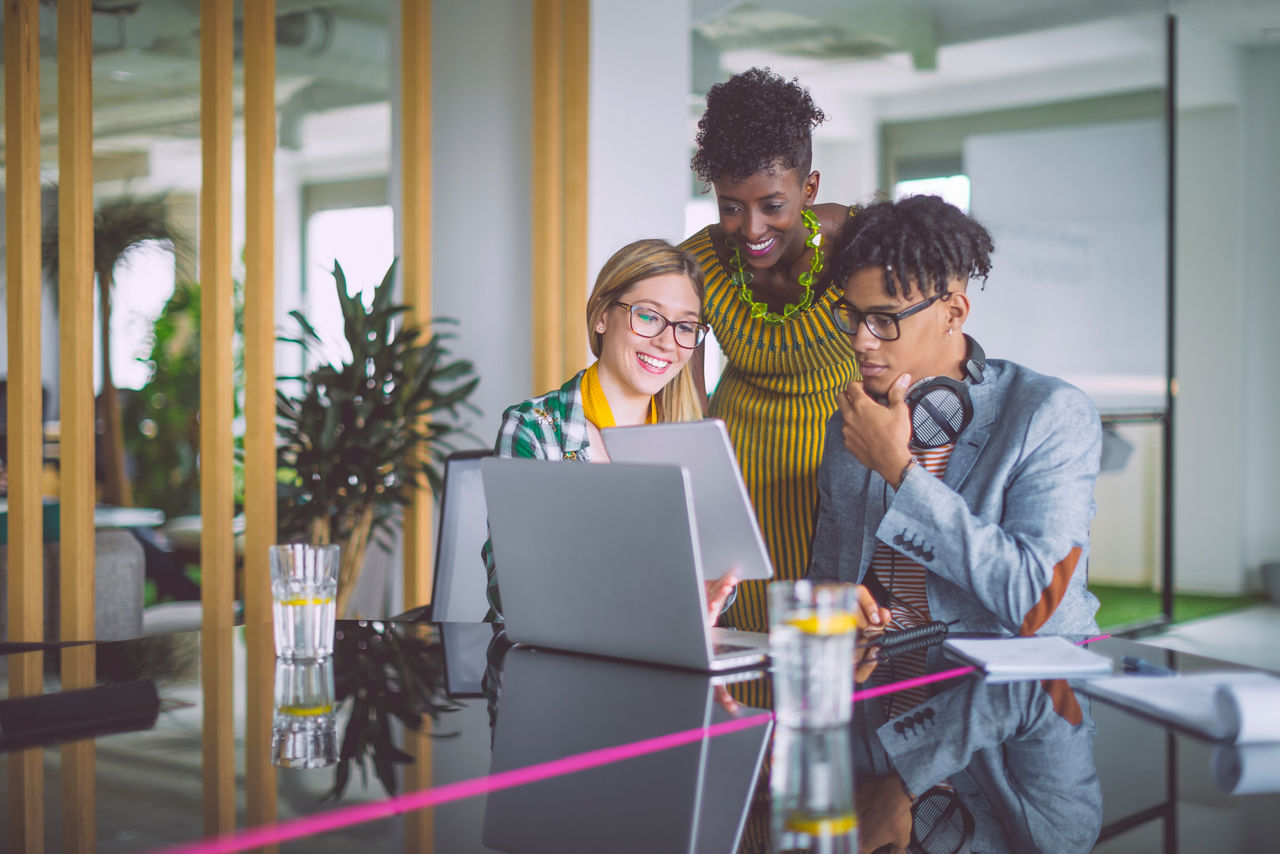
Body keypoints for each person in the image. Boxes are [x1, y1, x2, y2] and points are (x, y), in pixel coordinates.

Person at [808, 195, 1103, 649]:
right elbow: (825, 580)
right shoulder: (851, 423)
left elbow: (1043, 605)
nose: (862, 341)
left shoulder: (1048, 414)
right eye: (852, 316)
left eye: (884, 319)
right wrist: (831, 601)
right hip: (881, 693)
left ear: (954, 313)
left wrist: (900, 473)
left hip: (1020, 701)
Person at [681, 67, 860, 633]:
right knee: (743, 660)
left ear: (809, 190)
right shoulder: (701, 263)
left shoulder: (862, 248)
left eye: (772, 205)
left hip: (836, 486)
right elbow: (688, 404)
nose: (750, 227)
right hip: (738, 489)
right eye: (731, 205)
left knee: (825, 664)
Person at [482, 238, 736, 623]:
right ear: (602, 315)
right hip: (547, 666)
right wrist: (654, 590)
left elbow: (714, 573)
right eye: (648, 316)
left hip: (658, 656)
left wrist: (707, 594)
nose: (668, 342)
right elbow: (510, 592)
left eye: (685, 326)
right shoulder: (534, 429)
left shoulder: (695, 445)